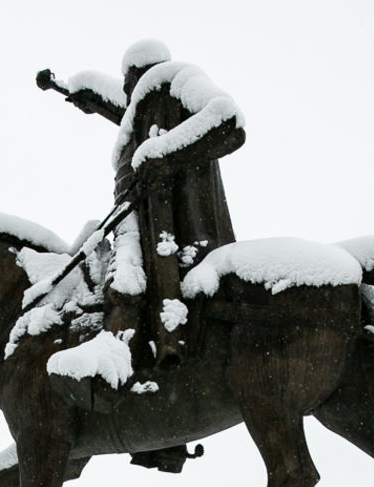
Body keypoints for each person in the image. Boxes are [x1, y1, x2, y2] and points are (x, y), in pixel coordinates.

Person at [38, 40, 245, 377]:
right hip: (137, 220)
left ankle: (118, 363)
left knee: (125, 280)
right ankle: (117, 350)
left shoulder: (172, 81)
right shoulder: (147, 105)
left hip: (160, 226)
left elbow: (227, 119)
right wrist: (84, 92)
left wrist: (165, 152)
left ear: (138, 75)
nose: (126, 92)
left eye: (127, 84)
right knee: (102, 258)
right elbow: (127, 110)